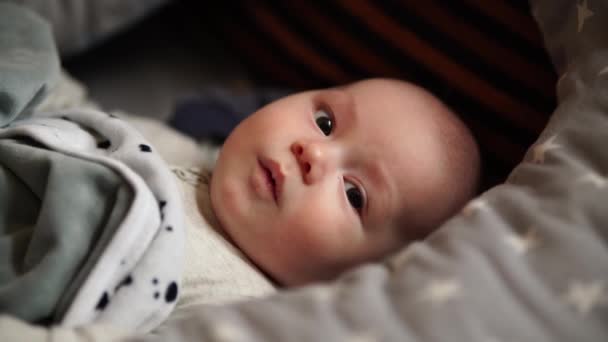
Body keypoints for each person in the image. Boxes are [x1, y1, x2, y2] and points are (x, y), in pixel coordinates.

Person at [204, 78, 480, 287]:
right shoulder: (182, 145)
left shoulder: (238, 311)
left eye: (353, 195)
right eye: (325, 123)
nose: (313, 153)